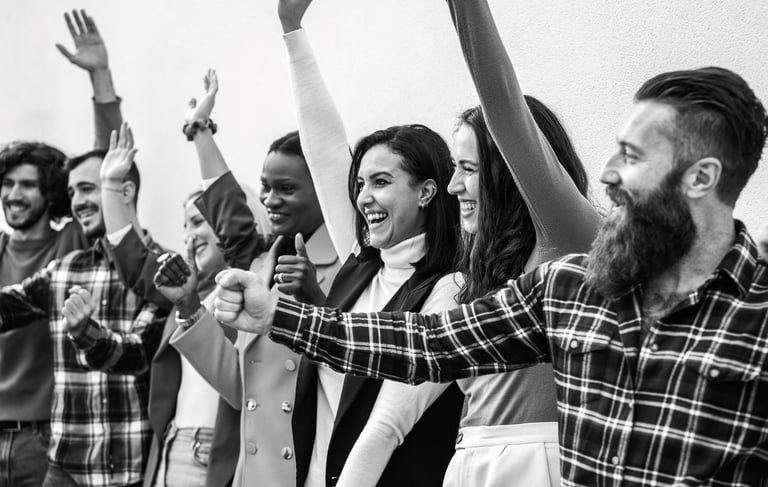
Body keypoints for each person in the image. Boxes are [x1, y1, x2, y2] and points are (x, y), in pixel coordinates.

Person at [213, 64, 768, 486]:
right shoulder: (566, 286)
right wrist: (280, 314)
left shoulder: (753, 311)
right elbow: (427, 345)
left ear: (701, 177)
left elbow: (509, 119)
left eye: (632, 155)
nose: (607, 173)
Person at [336, 1, 600, 485]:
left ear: (512, 173)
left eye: (469, 169)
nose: (454, 186)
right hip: (467, 463)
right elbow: (410, 369)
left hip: (539, 465)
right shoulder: (473, 277)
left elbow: (500, 98)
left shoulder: (566, 240)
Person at [277, 2, 464, 485]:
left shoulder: (448, 289)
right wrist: (291, 30)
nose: (363, 198)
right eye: (360, 184)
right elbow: (322, 145)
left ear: (426, 191)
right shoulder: (362, 262)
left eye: (381, 181)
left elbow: (386, 425)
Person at [161, 70, 341, 487]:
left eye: (287, 188)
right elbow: (240, 386)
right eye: (265, 187)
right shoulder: (260, 262)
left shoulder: (348, 267)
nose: (269, 200)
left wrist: (315, 297)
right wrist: (200, 131)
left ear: (325, 188)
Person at [0, 123, 170, 487]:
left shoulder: (163, 267)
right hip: (63, 468)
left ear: (122, 190)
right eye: (73, 191)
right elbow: (6, 307)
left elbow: (138, 355)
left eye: (88, 188)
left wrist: (86, 333)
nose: (76, 202)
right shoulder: (64, 270)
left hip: (128, 466)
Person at [0, 9, 121, 487]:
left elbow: (107, 165)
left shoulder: (69, 245)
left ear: (50, 193)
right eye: (7, 184)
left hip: (45, 441)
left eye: (27, 185)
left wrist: (100, 77)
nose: (13, 195)